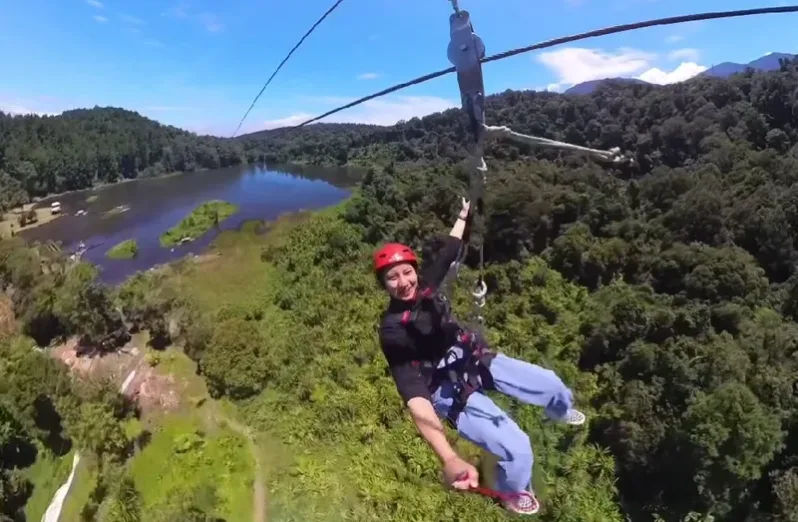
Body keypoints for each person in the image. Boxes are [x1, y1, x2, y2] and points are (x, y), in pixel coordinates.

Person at [374, 197, 586, 516]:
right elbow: (414, 395)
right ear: (384, 285)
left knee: (553, 385)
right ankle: (512, 491)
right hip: (446, 389)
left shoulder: (427, 286)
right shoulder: (392, 330)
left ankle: (558, 411)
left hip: (473, 358)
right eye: (393, 278)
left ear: (415, 271)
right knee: (518, 449)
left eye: (407, 272)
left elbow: (450, 246)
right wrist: (449, 457)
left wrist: (464, 214)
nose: (403, 282)